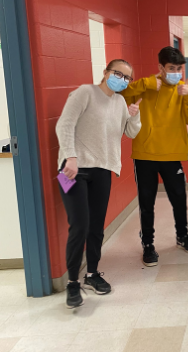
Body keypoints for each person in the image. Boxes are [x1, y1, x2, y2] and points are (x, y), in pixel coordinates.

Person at [56, 59, 142, 308]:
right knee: (79, 225)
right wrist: (70, 157)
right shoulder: (85, 92)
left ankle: (92, 274)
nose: (122, 80)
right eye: (118, 74)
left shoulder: (120, 102)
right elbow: (64, 124)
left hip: (102, 170)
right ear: (105, 73)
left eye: (127, 77)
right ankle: (72, 283)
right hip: (72, 171)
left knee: (96, 226)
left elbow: (130, 132)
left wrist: (134, 117)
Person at [120, 46, 188, 267]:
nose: (176, 72)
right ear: (161, 68)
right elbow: (120, 93)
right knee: (147, 202)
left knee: (179, 198)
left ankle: (182, 236)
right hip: (145, 154)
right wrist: (145, 84)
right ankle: (148, 244)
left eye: (179, 68)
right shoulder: (145, 85)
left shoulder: (183, 90)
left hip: (172, 153)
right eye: (171, 68)